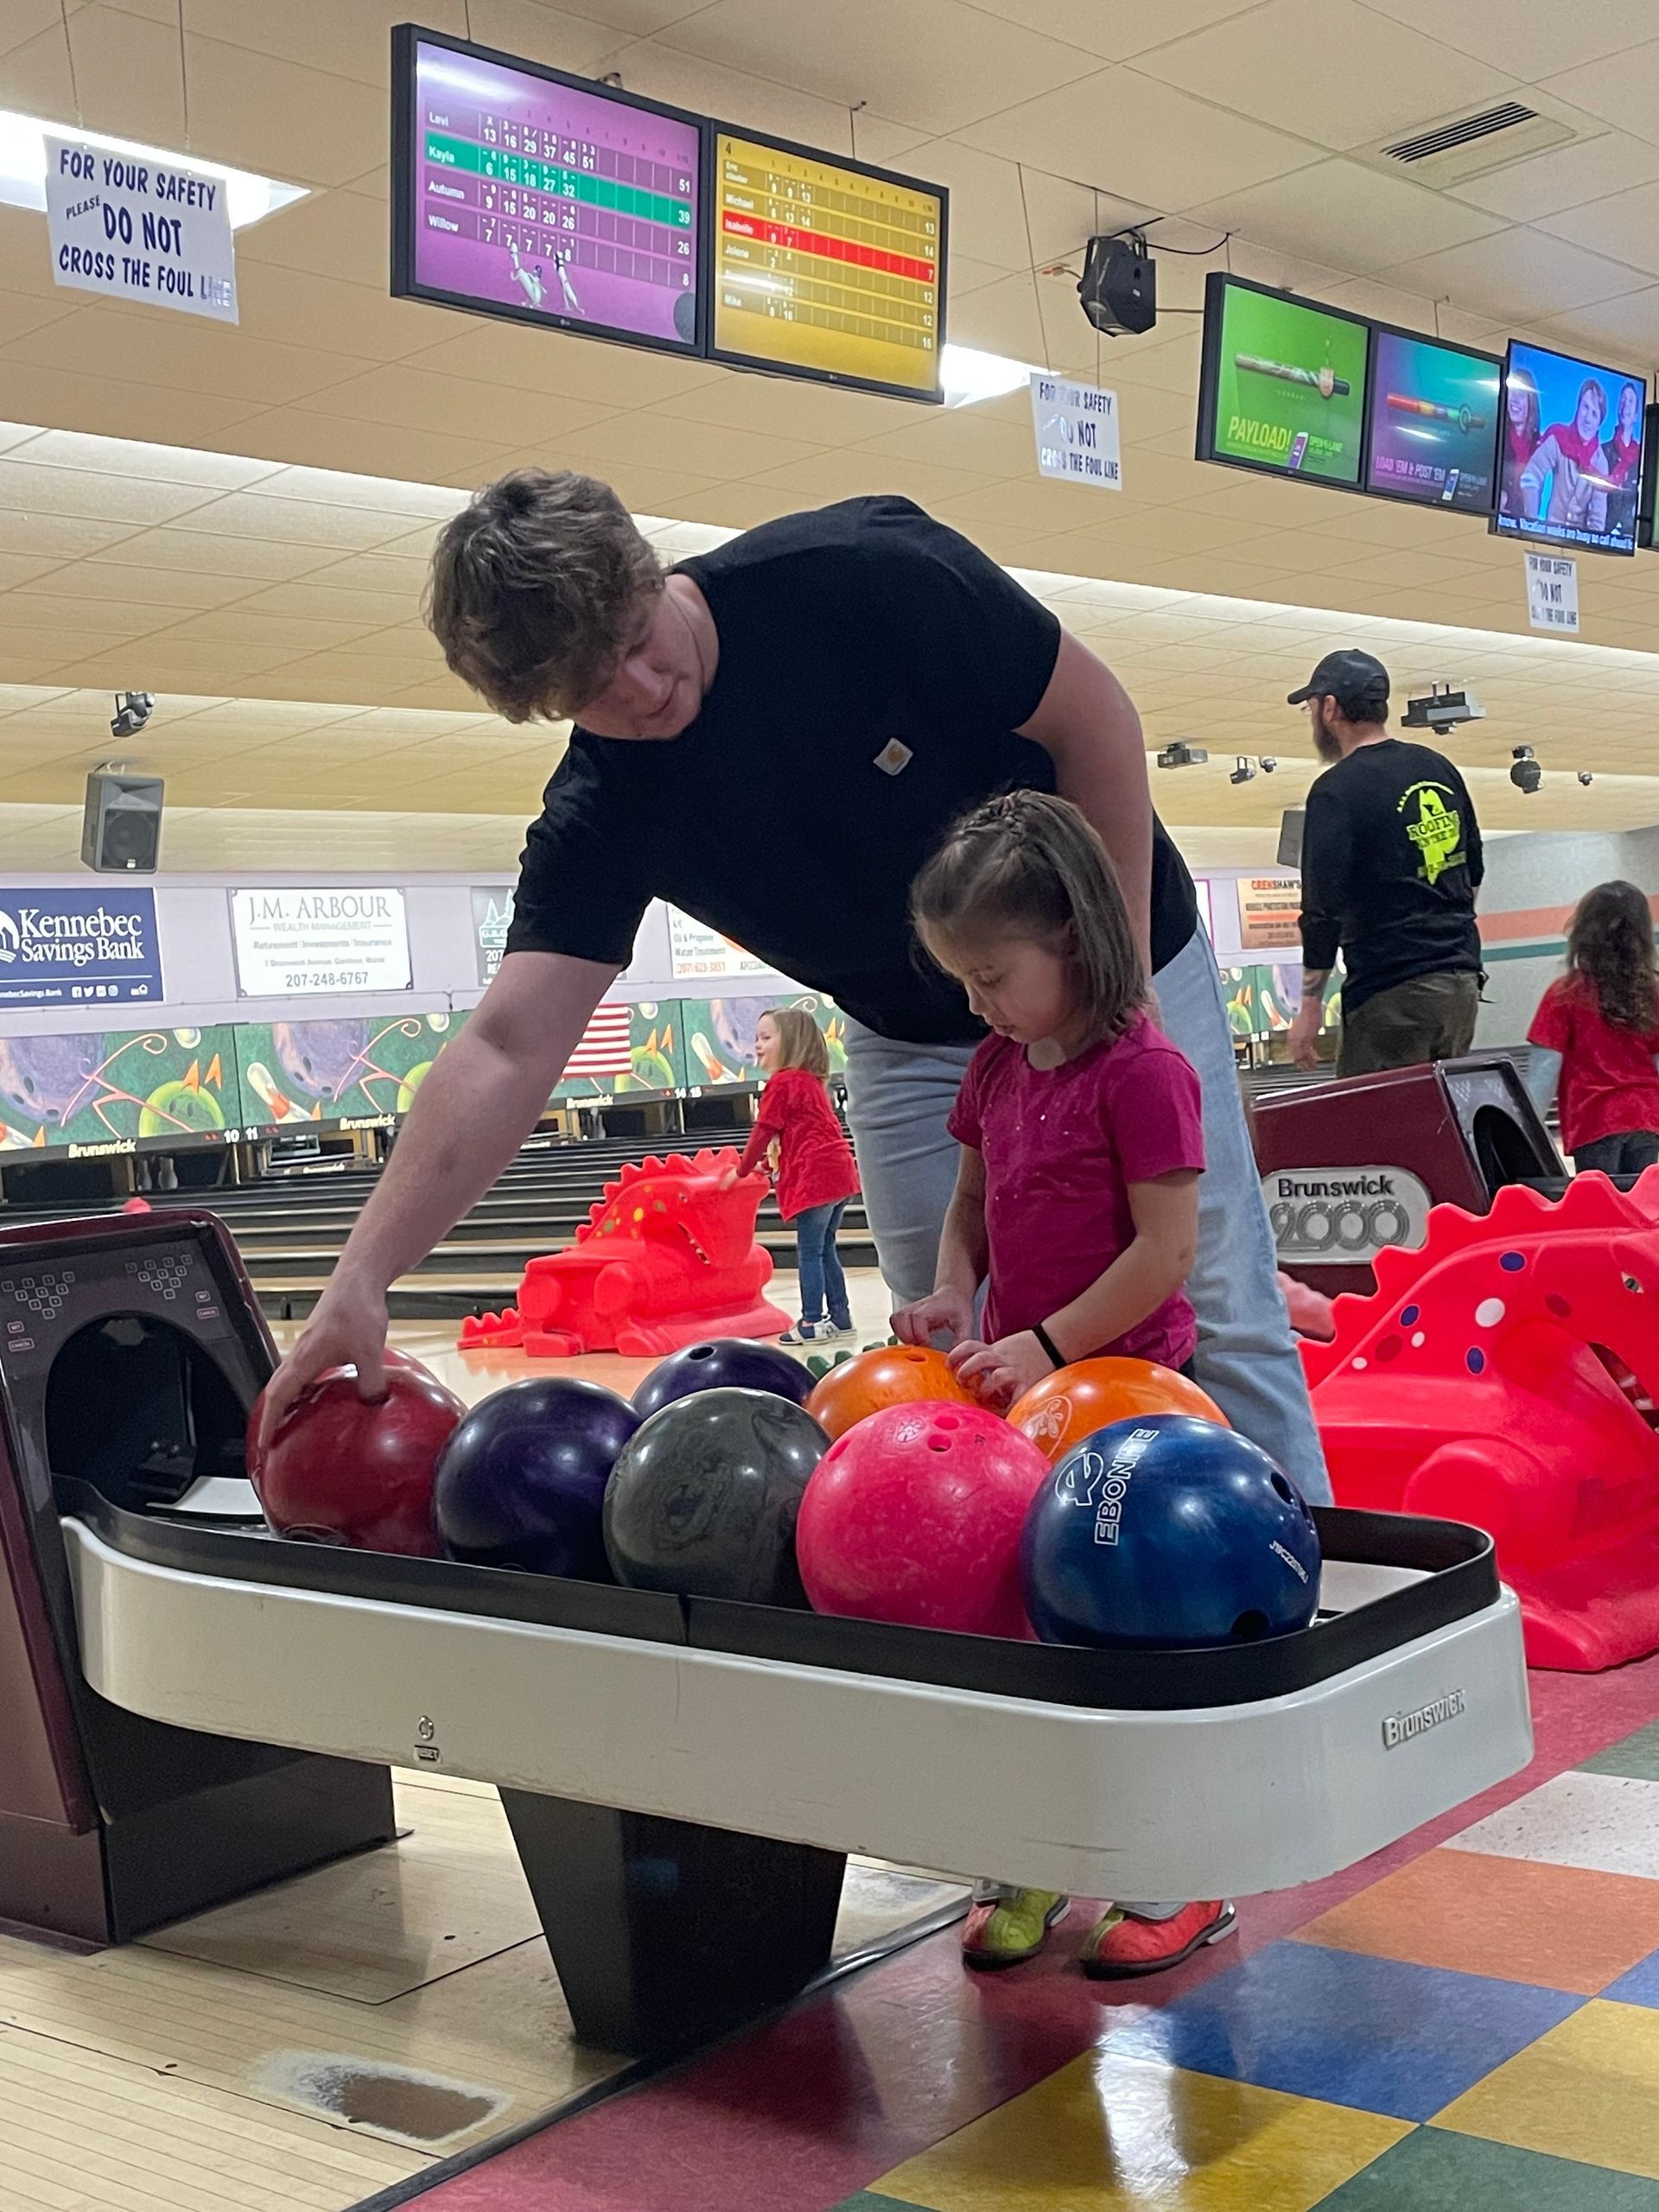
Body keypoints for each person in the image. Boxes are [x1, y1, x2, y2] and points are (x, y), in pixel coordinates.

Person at [259, 472, 1328, 1514]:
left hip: (1122, 955)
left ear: (651, 569)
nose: (637, 693)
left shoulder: (862, 574)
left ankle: (1324, 1592)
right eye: (590, 691)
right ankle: (1047, 1629)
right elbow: (506, 1047)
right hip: (912, 1035)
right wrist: (362, 1273)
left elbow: (1095, 722)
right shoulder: (604, 808)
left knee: (1216, 1300)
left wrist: (1114, 1006)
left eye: (636, 640)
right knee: (954, 1356)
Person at [893, 791, 1230, 1976]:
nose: (975, 1003)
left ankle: (1179, 1871)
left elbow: (1165, 1254)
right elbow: (973, 1210)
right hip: (1030, 1400)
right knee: (1023, 1631)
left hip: (1137, 1402)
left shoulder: (1145, 1073)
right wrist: (948, 1291)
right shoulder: (996, 1065)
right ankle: (1031, 1854)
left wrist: (1049, 1343)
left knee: (1134, 1638)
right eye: (963, 981)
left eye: (991, 974)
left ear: (1075, 943)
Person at [1287, 650, 1484, 1079]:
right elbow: (1472, 876)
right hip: (1460, 986)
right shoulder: (1439, 768)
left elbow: (1322, 911)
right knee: (1441, 1125)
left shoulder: (1335, 790)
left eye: (1312, 707)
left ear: (1331, 708)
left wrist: (1309, 1008)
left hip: (1391, 994)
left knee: (1376, 1133)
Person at [729, 1007, 860, 1344]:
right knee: (825, 1247)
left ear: (792, 1043)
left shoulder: (783, 1082)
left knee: (810, 1251)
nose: (757, 1044)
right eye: (757, 1037)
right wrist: (770, 1165)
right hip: (839, 1174)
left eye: (766, 1037)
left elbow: (764, 1130)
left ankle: (812, 1321)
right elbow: (800, 1134)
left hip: (816, 1177)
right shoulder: (810, 1082)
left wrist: (741, 1171)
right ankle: (841, 1317)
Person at [1526, 880, 1659, 1176]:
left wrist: (1524, 1135)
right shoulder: (1650, 994)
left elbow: (1543, 1075)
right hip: (1646, 1118)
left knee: (1601, 1209)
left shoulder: (1564, 994)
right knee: (1641, 1211)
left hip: (1594, 1120)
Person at [1520, 377, 1611, 536]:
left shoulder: (1600, 461)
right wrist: (1531, 524)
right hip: (1549, 535)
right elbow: (1531, 476)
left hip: (1580, 546)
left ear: (1599, 423)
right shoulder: (1558, 438)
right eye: (1585, 407)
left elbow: (1598, 518)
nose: (1588, 418)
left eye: (1595, 414)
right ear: (1577, 408)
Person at [1498, 370, 1540, 518]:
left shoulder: (1540, 446)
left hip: (1525, 522)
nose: (1514, 399)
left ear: (1531, 402)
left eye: (1521, 394)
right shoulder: (1497, 435)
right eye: (1512, 392)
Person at [1606, 380, 1643, 543]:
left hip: (1630, 535)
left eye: (1630, 401)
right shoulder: (1602, 451)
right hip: (1602, 532)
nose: (1625, 405)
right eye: (1622, 401)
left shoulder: (1643, 460)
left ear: (1636, 416)